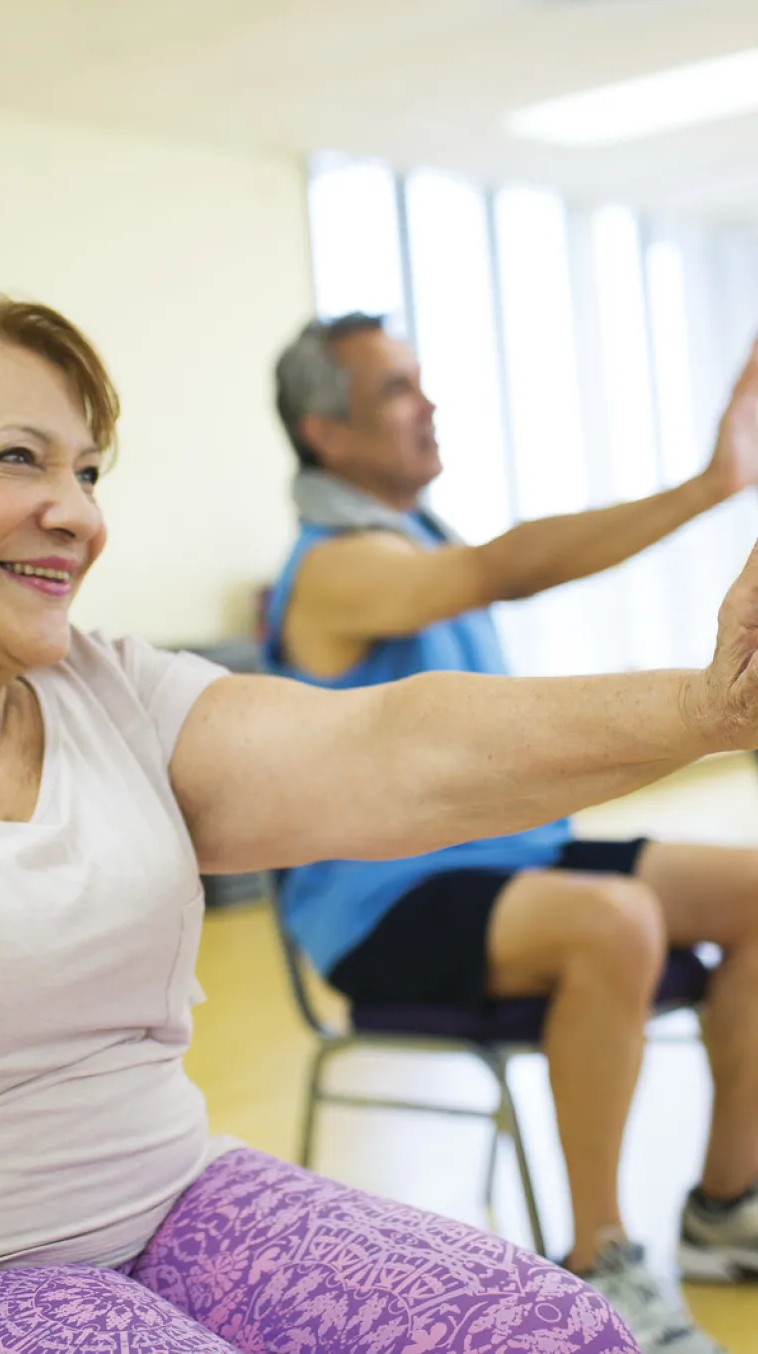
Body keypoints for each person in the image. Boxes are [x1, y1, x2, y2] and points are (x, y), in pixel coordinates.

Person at [0, 299, 756, 1354]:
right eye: (18, 459)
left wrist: (709, 708)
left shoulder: (110, 688)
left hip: (166, 1199)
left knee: (545, 1328)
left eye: (88, 472)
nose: (77, 514)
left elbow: (390, 746)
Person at [264, 312, 758, 1354]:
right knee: (613, 920)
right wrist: (705, 486)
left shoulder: (414, 539)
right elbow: (499, 569)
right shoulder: (334, 567)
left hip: (508, 859)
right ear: (326, 432)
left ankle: (723, 1207)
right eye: (396, 387)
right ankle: (597, 1257)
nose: (427, 402)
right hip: (380, 902)